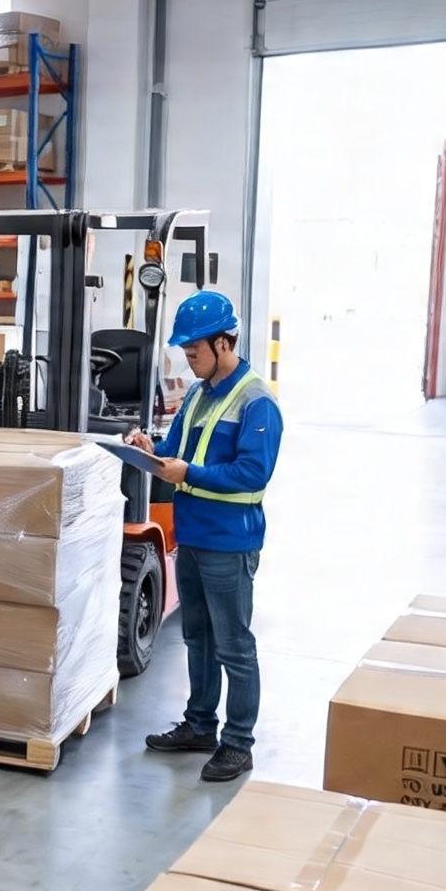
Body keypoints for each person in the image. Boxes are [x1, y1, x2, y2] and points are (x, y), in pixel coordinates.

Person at [125, 290, 281, 783]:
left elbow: (251, 474)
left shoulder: (257, 402)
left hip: (229, 543)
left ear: (222, 343)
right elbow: (177, 448)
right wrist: (152, 448)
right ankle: (199, 725)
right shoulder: (198, 392)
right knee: (198, 637)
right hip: (192, 537)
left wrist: (185, 471)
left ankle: (238, 744)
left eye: (194, 351)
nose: (188, 359)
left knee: (233, 644)